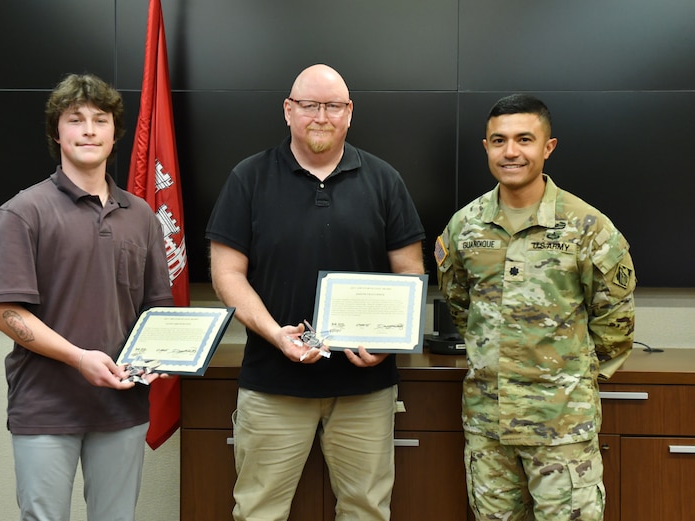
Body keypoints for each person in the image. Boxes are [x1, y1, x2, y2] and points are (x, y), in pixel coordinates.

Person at [205, 63, 426, 521]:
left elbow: (410, 273)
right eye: (309, 105)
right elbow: (227, 274)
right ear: (288, 110)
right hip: (272, 385)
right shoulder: (248, 178)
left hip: (365, 387)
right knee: (257, 512)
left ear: (349, 113)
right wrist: (275, 334)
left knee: (367, 511)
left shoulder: (385, 181)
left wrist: (388, 343)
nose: (320, 116)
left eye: (332, 106)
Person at [0, 73, 173, 521]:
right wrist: (80, 358)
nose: (89, 129)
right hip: (46, 406)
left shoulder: (141, 215)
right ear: (57, 132)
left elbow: (157, 310)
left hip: (122, 406)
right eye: (75, 119)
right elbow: (2, 310)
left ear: (114, 133)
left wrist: (164, 355)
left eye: (100, 120)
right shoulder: (23, 211)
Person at [435, 94, 636, 521]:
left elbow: (615, 320)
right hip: (488, 426)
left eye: (524, 139)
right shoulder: (464, 227)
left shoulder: (587, 227)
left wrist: (567, 380)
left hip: (562, 427)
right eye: (499, 140)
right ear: (485, 147)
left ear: (548, 147)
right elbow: (459, 307)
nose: (511, 152)